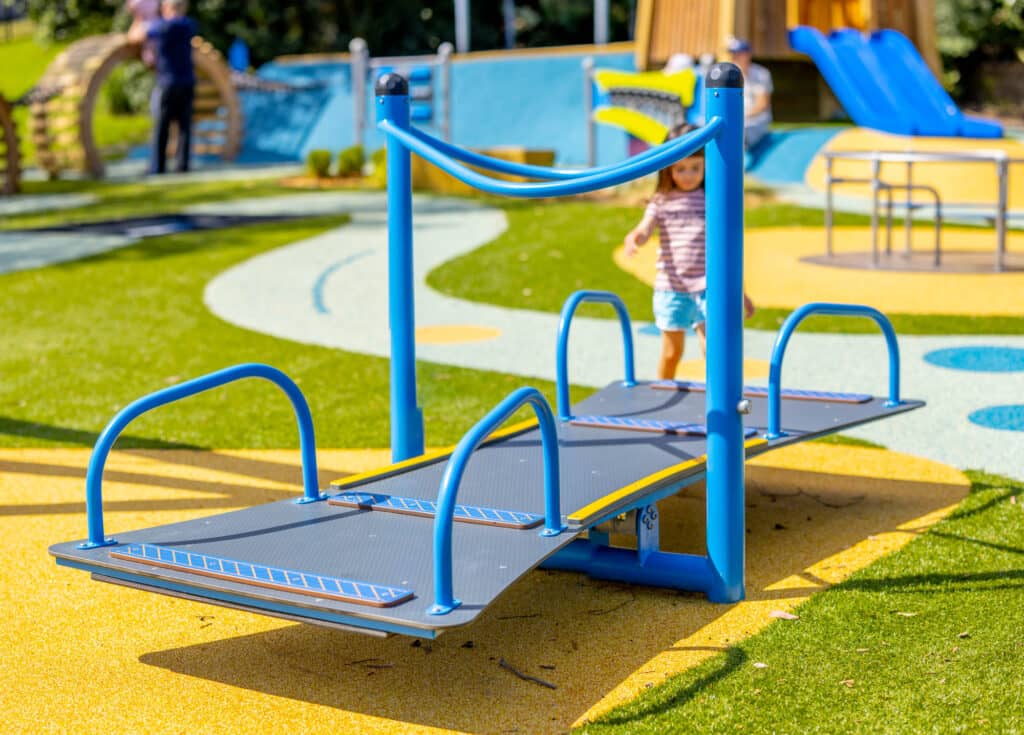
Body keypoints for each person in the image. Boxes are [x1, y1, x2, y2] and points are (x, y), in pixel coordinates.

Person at [624, 124, 754, 380]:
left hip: (708, 286)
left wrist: (741, 292)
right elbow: (644, 229)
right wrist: (635, 239)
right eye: (680, 169)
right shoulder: (661, 201)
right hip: (672, 288)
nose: (688, 175)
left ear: (706, 166)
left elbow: (728, 251)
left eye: (695, 168)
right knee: (672, 352)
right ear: (668, 169)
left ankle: (714, 400)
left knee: (713, 348)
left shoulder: (712, 198)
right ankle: (663, 391)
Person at [146, 0, 197, 174]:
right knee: (184, 126)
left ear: (167, 8)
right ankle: (182, 165)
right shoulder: (188, 26)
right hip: (187, 82)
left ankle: (158, 166)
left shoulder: (160, 27)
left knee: (162, 126)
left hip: (167, 83)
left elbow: (146, 33)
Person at [727, 38, 773, 149]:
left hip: (756, 120)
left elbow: (762, 104)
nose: (735, 57)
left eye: (738, 53)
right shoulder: (730, 74)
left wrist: (740, 116)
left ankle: (742, 164)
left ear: (748, 54)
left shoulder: (761, 74)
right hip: (738, 119)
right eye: (733, 53)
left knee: (739, 133)